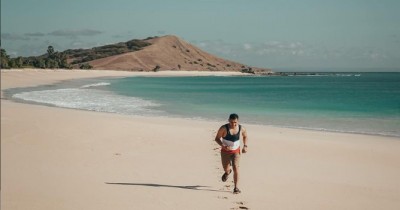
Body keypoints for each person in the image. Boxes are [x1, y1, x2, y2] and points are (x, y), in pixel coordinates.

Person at [214, 113, 248, 194]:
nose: (233, 124)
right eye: (232, 122)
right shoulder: (223, 128)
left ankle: (236, 187)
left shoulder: (241, 128)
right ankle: (227, 172)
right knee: (226, 168)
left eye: (235, 122)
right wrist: (223, 146)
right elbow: (217, 138)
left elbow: (245, 136)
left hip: (236, 151)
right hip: (225, 151)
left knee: (236, 167)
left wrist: (245, 145)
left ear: (238, 121)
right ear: (229, 120)